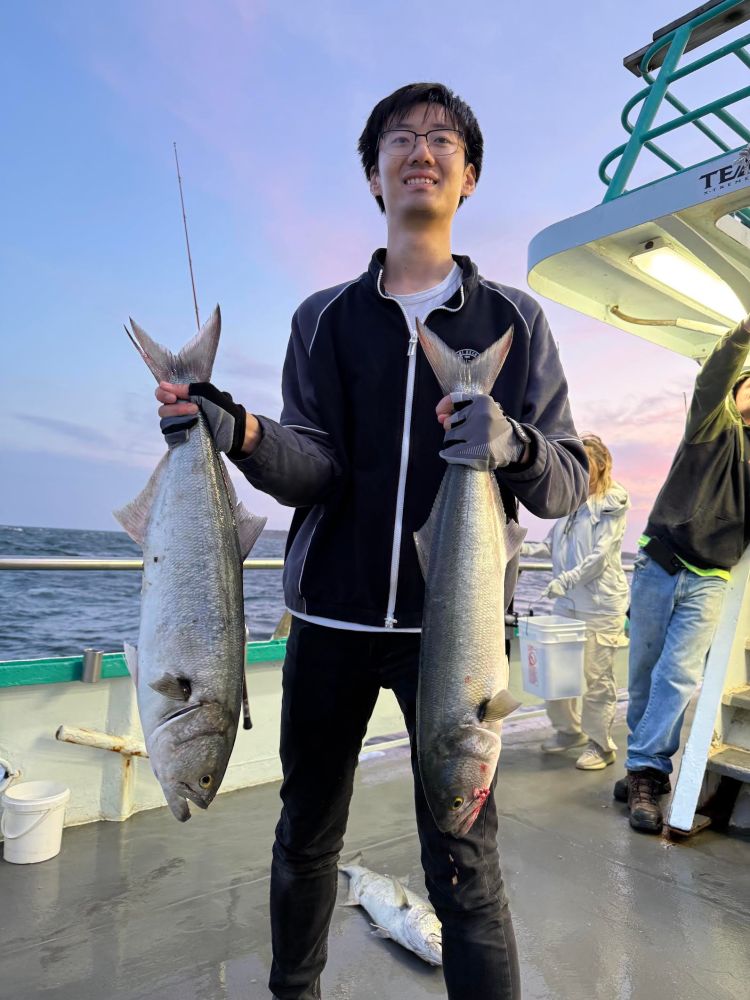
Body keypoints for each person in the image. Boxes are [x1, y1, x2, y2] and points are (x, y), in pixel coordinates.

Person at [156, 83, 588, 1000]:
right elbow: (315, 465)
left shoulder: (516, 321)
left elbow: (564, 480)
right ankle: (293, 991)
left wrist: (509, 441)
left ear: (469, 177)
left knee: (465, 862)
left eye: (442, 140)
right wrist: (236, 433)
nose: (421, 151)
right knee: (306, 834)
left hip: (456, 637)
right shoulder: (322, 317)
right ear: (373, 175)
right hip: (332, 624)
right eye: (400, 139)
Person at [615, 316, 750, 834]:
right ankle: (642, 767)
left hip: (712, 577)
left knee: (678, 676)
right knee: (644, 676)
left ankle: (647, 772)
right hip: (661, 563)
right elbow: (712, 377)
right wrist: (743, 332)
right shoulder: (711, 423)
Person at [521, 435, 630, 770]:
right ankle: (569, 732)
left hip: (600, 605)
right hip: (567, 603)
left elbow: (600, 556)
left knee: (597, 677)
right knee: (557, 670)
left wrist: (563, 580)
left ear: (600, 464)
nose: (581, 469)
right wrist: (514, 548)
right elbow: (549, 547)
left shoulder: (613, 500)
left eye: (587, 462)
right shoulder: (570, 502)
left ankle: (601, 745)